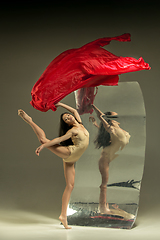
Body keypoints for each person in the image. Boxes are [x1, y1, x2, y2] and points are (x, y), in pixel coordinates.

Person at [18, 102, 89, 229]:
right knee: (44, 140)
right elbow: (59, 140)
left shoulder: (80, 123)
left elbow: (73, 110)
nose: (68, 117)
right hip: (69, 153)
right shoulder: (73, 130)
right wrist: (44, 146)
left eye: (68, 116)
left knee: (70, 186)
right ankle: (29, 120)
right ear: (67, 124)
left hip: (72, 160)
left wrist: (60, 104)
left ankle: (63, 215)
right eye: (66, 119)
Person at [89, 104, 131, 215]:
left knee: (108, 183)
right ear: (109, 120)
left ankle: (105, 207)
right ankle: (102, 208)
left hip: (112, 157)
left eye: (116, 116)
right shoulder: (111, 128)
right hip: (105, 158)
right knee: (104, 184)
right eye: (113, 117)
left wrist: (96, 125)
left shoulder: (116, 129)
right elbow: (101, 116)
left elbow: (105, 130)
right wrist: (93, 105)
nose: (116, 118)